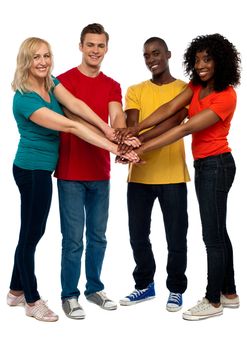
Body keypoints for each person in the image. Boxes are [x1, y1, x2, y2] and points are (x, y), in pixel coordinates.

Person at [7, 37, 136, 323]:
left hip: (42, 170)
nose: (42, 62)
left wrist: (107, 128)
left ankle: (15, 290)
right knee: (30, 236)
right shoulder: (24, 97)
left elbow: (76, 105)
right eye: (35, 58)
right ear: (25, 62)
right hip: (32, 170)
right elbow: (70, 124)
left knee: (32, 232)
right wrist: (116, 147)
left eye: (46, 56)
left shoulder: (50, 83)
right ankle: (31, 300)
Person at [117, 33, 241, 320]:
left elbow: (183, 128)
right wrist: (135, 131)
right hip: (205, 166)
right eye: (197, 59)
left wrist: (142, 146)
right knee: (219, 232)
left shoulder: (226, 96)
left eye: (207, 59)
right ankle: (229, 292)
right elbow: (169, 109)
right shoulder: (197, 87)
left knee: (212, 236)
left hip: (217, 165)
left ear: (221, 61)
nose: (201, 65)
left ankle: (212, 301)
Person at [54, 23, 134, 319]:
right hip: (71, 172)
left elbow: (116, 114)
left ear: (106, 49)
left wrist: (123, 136)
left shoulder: (112, 84)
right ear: (80, 46)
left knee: (98, 236)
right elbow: (73, 114)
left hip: (100, 172)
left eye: (100, 46)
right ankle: (69, 295)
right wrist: (109, 133)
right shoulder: (63, 81)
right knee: (73, 238)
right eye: (90, 45)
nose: (95, 51)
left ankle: (94, 288)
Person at [118, 37, 190, 312]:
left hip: (172, 176)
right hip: (139, 176)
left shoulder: (185, 89)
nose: (151, 59)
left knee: (176, 236)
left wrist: (137, 140)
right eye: (146, 55)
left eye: (156, 53)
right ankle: (144, 285)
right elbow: (131, 124)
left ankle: (176, 288)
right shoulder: (135, 90)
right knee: (137, 234)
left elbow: (174, 121)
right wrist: (133, 140)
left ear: (168, 54)